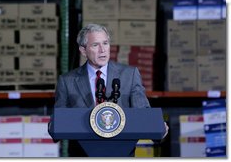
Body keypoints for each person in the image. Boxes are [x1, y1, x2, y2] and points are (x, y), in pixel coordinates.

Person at [51, 23, 168, 157]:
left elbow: (144, 115)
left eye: (105, 43)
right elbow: (56, 123)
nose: (103, 50)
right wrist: (54, 126)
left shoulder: (129, 75)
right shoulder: (67, 81)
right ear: (83, 50)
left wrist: (159, 128)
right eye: (95, 45)